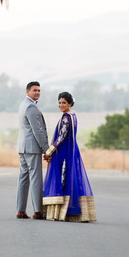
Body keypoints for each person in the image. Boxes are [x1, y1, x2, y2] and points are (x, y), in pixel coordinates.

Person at [43, 92, 96, 222]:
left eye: (64, 103)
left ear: (70, 104)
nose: (61, 105)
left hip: (64, 152)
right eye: (59, 102)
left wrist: (50, 150)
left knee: (62, 178)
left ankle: (61, 212)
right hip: (71, 150)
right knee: (70, 178)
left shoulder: (66, 117)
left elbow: (62, 136)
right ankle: (70, 211)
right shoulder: (72, 115)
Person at [16, 81, 49, 219]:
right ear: (27, 91)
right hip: (32, 148)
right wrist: (46, 149)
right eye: (35, 90)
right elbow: (38, 130)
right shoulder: (31, 107)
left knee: (23, 178)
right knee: (36, 178)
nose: (37, 93)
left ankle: (21, 210)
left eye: (39, 90)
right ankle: (38, 211)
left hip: (22, 147)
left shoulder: (23, 104)